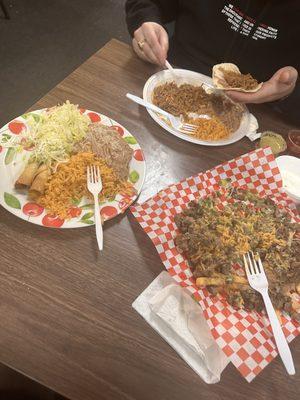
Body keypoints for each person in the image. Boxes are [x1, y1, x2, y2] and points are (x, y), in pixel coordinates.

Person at [125, 0, 300, 125]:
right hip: (169, 75)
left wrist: (289, 93)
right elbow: (147, 3)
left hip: (257, 114)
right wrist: (145, 21)